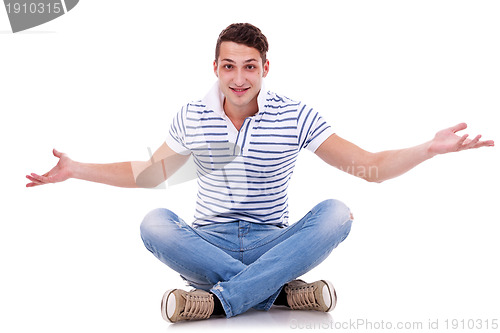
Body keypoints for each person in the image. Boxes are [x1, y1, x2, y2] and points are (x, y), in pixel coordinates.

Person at [26, 23, 494, 323]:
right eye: (229, 66)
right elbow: (150, 174)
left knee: (337, 213)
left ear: (265, 68)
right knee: (153, 222)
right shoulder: (193, 114)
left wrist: (429, 149)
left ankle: (217, 300)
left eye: (250, 67)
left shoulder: (294, 114)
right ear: (215, 67)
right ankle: (281, 293)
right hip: (207, 241)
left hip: (274, 238)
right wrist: (75, 169)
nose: (239, 78)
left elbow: (368, 167)